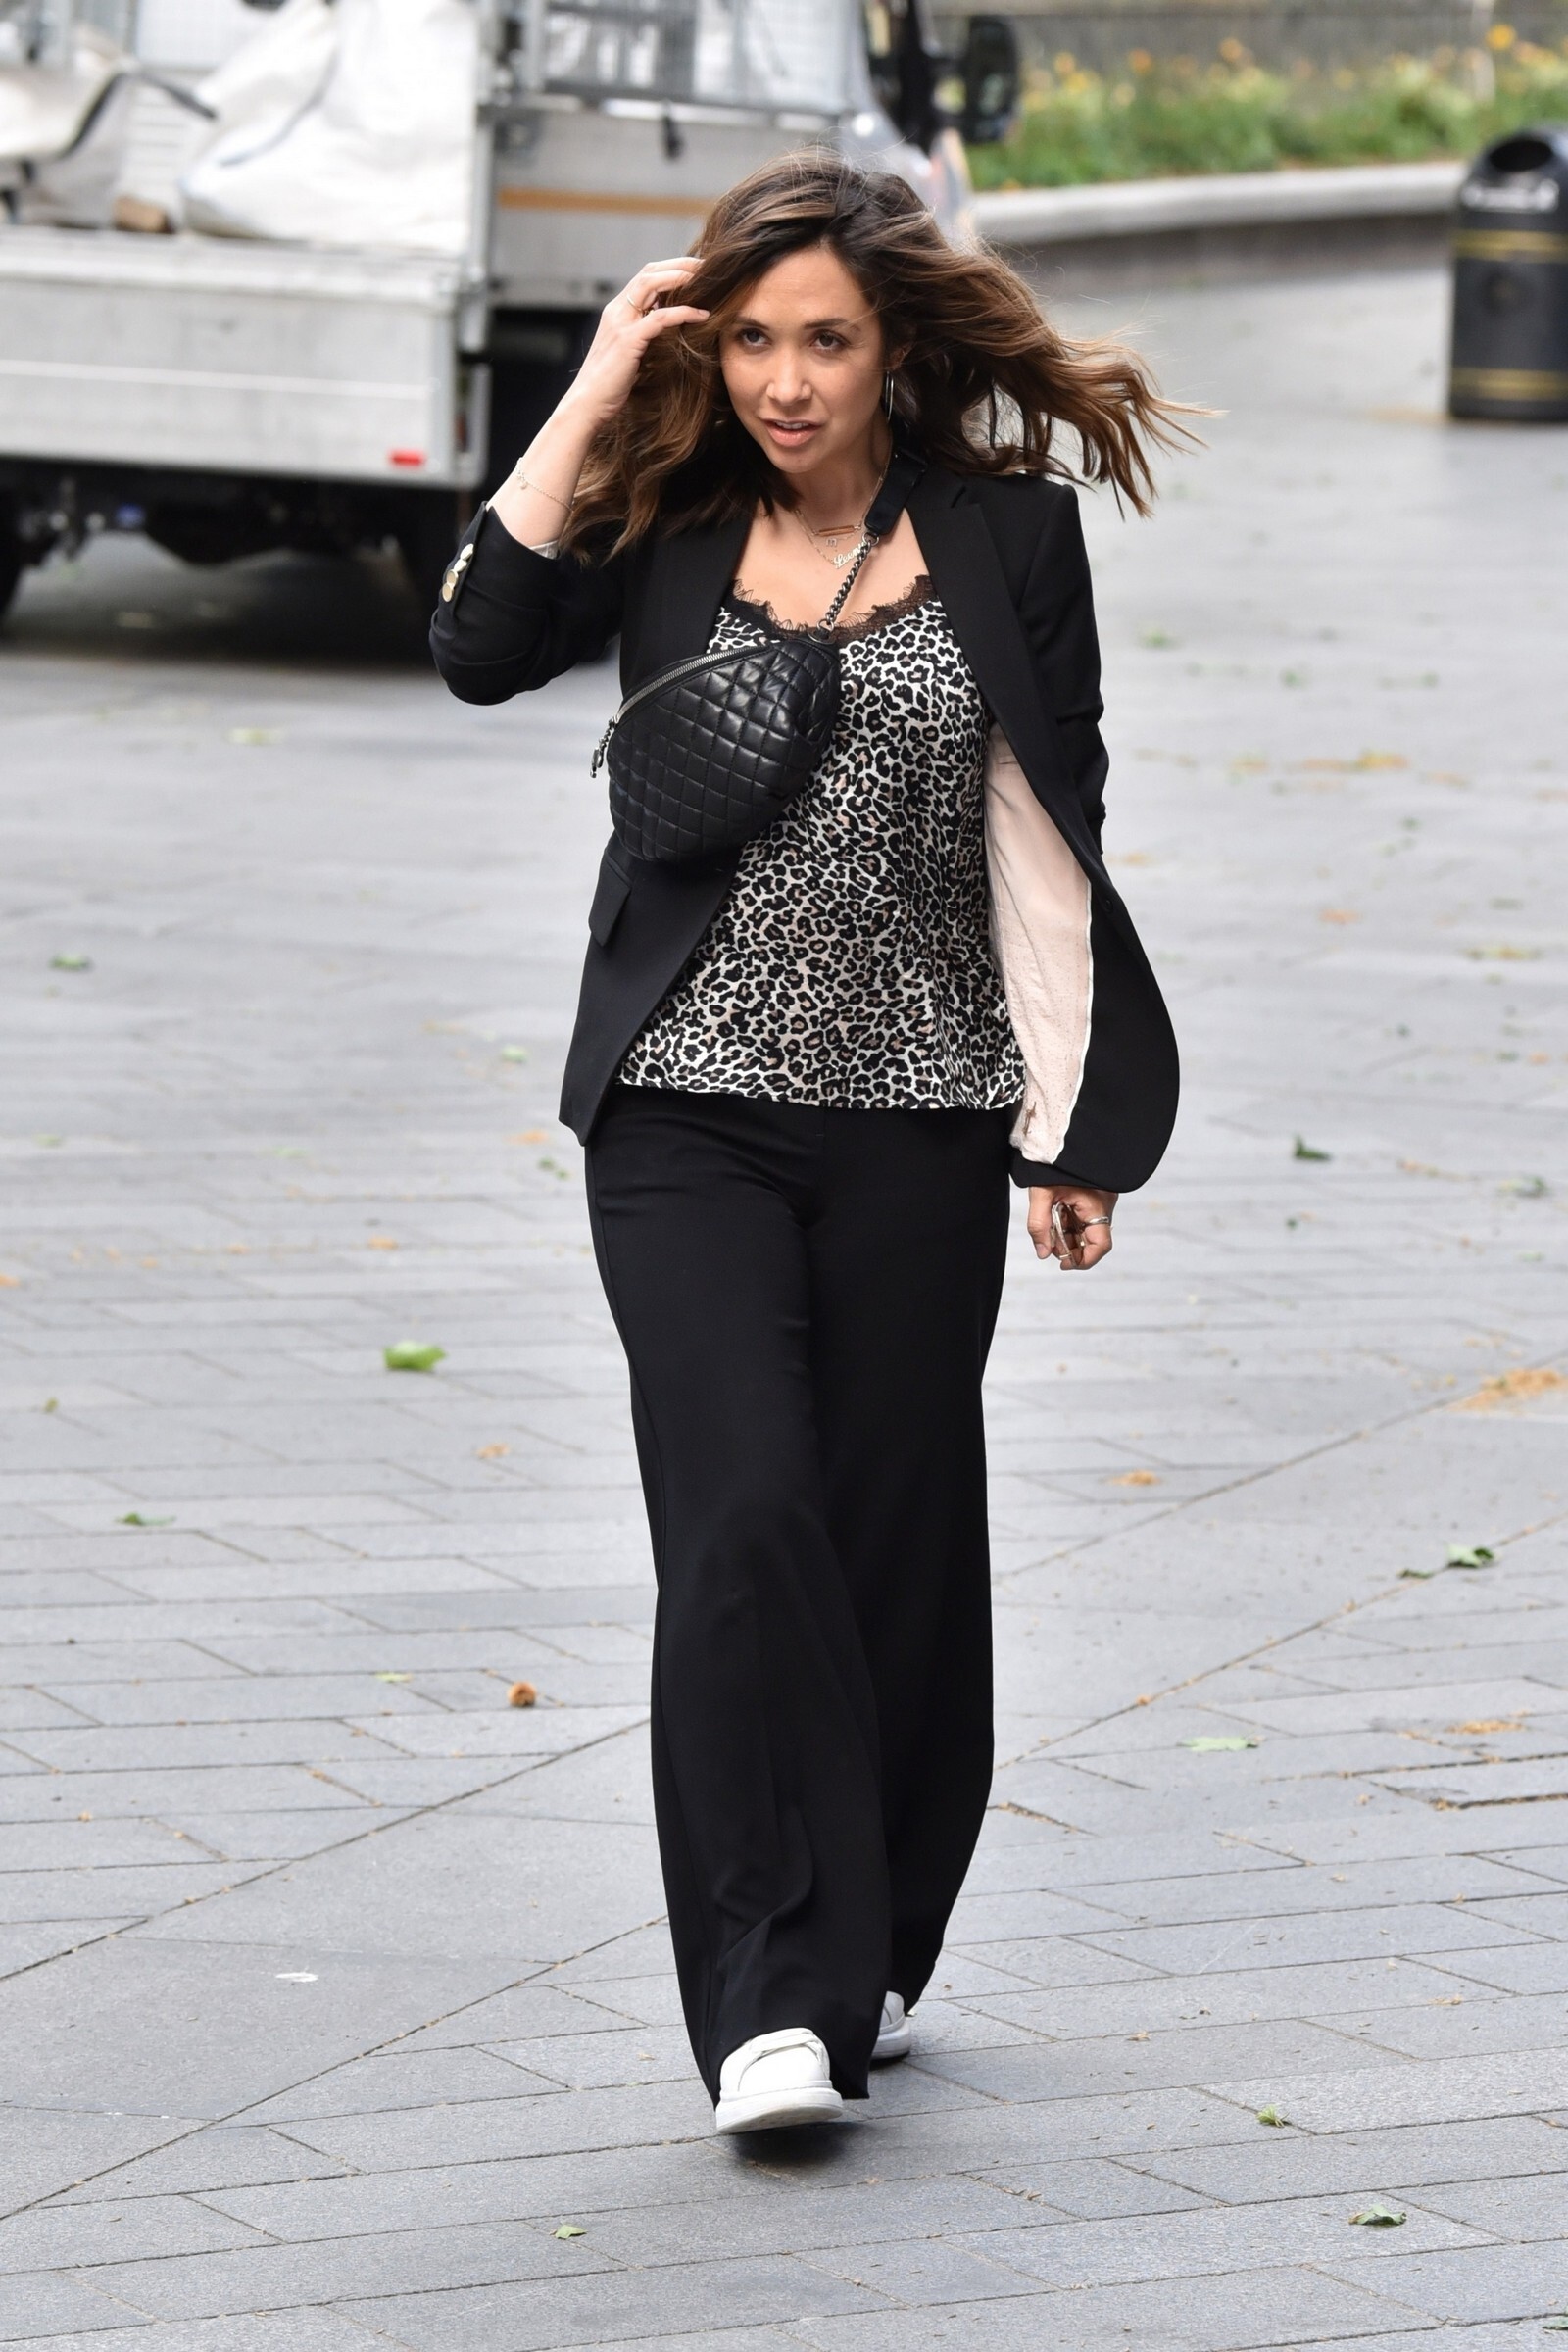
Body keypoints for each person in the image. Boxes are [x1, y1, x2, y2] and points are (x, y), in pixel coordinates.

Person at [431, 152, 1182, 2136]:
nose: (782, 380)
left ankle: (878, 1935)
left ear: (892, 346)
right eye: (751, 338)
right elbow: (480, 642)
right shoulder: (671, 514)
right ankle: (770, 1995)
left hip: (920, 1121)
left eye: (824, 341)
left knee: (893, 1546)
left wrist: (1074, 1121)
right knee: (744, 1514)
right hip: (683, 1115)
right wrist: (601, 377)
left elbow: (1055, 821)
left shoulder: (1008, 537)